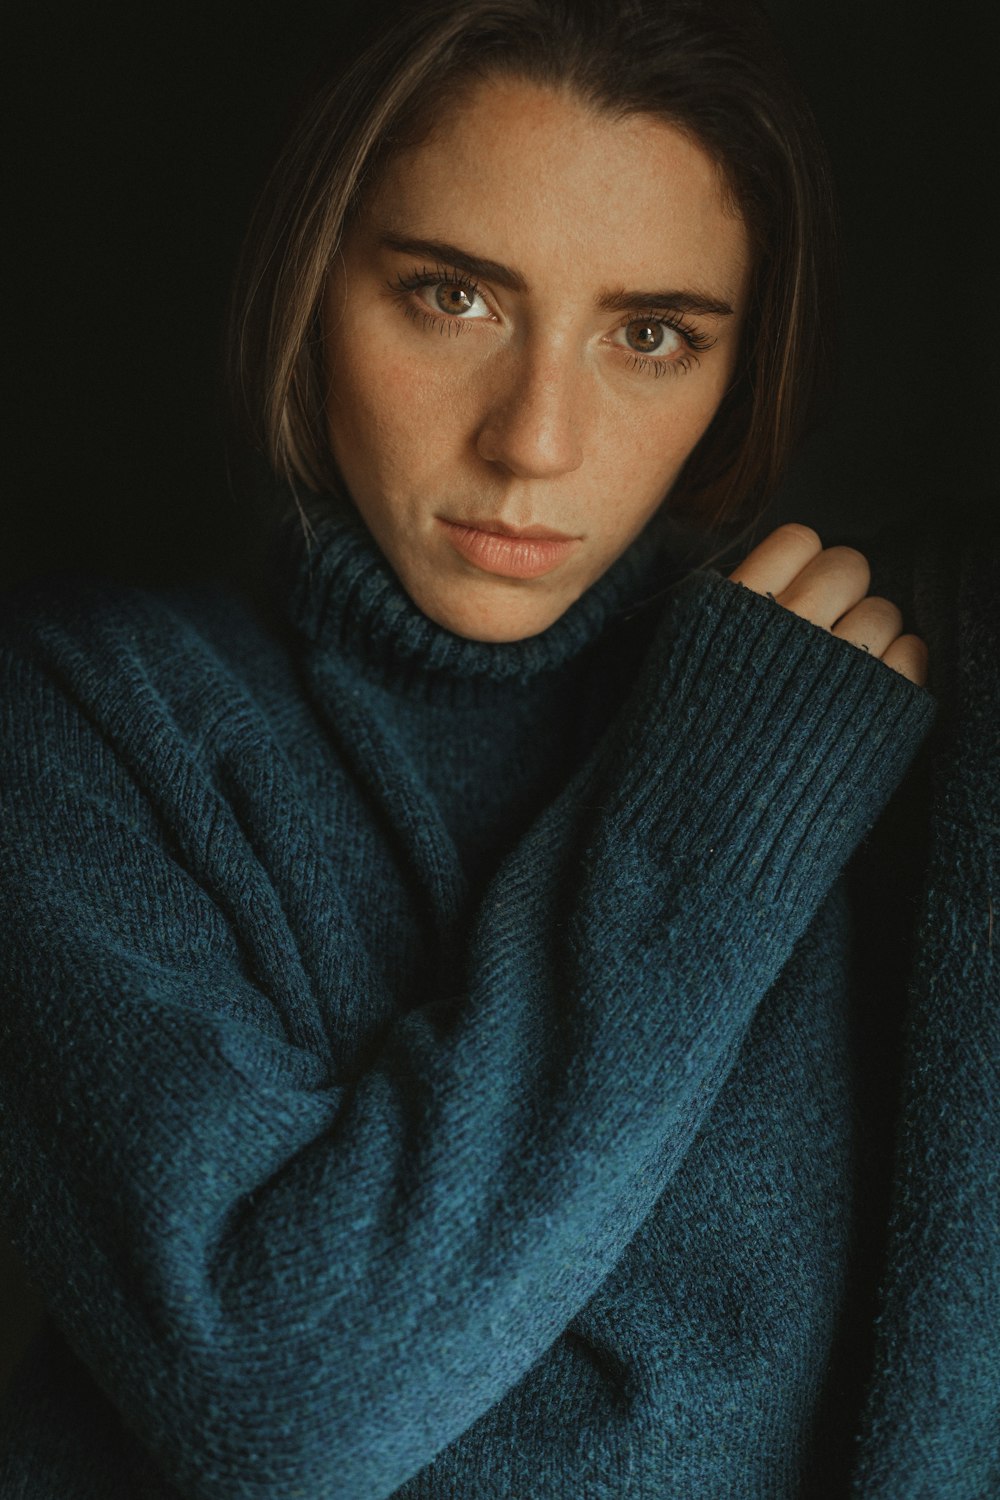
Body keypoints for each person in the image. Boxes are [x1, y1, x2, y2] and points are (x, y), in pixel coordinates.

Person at [0, 1, 995, 1496]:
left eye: (651, 336)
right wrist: (709, 829)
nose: (535, 440)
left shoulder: (898, 699)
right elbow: (283, 1404)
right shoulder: (83, 726)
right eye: (450, 298)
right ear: (310, 280)